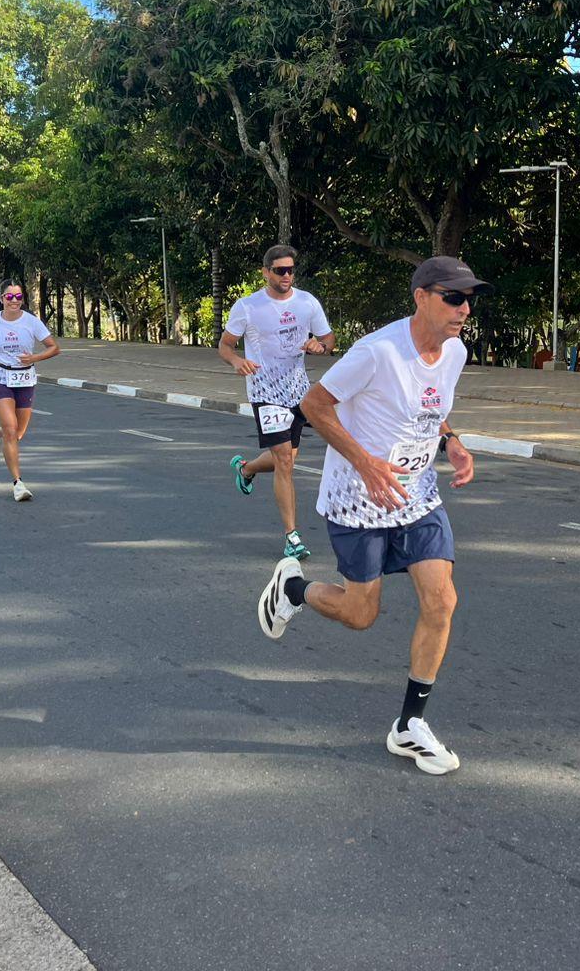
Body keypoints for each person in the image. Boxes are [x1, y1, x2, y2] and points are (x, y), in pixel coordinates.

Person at [257, 255, 488, 776]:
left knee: (442, 599)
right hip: (356, 498)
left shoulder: (454, 351)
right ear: (422, 297)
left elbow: (431, 408)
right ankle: (293, 589)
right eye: (453, 297)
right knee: (361, 615)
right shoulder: (378, 351)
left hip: (418, 494)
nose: (464, 308)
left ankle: (409, 725)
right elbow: (314, 406)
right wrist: (364, 463)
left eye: (468, 298)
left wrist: (453, 442)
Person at [219, 244, 335, 560]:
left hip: (298, 391)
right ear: (266, 272)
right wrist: (236, 362)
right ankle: (292, 537)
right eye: (280, 270)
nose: (287, 275)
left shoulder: (307, 302)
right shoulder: (247, 307)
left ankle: (245, 469)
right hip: (264, 391)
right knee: (284, 459)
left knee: (287, 459)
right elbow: (225, 345)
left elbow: (328, 338)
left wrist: (319, 347)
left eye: (291, 270)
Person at [0, 280, 60, 501]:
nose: (14, 301)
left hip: (25, 377)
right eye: (9, 297)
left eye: (18, 297)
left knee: (17, 433)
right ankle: (18, 484)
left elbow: (54, 347)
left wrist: (35, 357)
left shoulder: (31, 322)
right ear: (1, 299)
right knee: (11, 428)